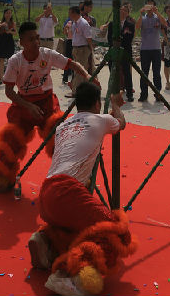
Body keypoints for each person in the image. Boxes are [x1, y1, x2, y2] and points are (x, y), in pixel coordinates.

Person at [29, 82, 136, 296]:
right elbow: (121, 123)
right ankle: (69, 276)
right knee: (118, 234)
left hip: (46, 194)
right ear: (97, 103)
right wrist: (116, 104)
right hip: (67, 192)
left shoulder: (62, 126)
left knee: (79, 226)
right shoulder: (101, 120)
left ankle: (47, 241)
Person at [0, 21, 91, 193]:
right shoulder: (15, 61)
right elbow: (9, 91)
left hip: (47, 103)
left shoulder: (47, 54)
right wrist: (28, 106)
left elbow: (72, 64)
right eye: (31, 39)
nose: (36, 42)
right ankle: (3, 176)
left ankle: (74, 178)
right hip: (23, 105)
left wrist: (88, 76)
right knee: (11, 140)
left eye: (37, 38)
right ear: (22, 42)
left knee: (60, 136)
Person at [101, 2, 136, 101]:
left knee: (127, 73)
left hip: (125, 51)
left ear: (128, 13)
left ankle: (129, 94)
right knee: (113, 72)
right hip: (114, 51)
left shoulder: (130, 25)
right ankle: (113, 92)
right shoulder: (112, 24)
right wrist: (115, 45)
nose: (123, 12)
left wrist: (120, 42)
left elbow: (129, 39)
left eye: (125, 11)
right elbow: (110, 38)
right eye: (121, 10)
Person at [137, 0, 167, 102]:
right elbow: (137, 27)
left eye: (151, 5)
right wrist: (140, 15)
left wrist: (157, 13)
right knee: (144, 73)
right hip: (145, 49)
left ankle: (158, 93)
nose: (149, 8)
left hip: (156, 49)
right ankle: (143, 94)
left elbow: (165, 24)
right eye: (148, 5)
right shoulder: (143, 18)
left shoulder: (157, 17)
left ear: (154, 6)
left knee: (156, 73)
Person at [70, 5, 94, 96]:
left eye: (70, 13)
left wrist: (91, 49)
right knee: (78, 70)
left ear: (74, 13)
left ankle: (76, 91)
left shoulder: (84, 23)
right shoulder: (74, 23)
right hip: (76, 49)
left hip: (82, 49)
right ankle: (83, 90)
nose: (69, 15)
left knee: (80, 71)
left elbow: (88, 38)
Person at [0, 8, 17, 84]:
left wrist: (10, 31)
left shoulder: (13, 23)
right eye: (7, 13)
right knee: (1, 60)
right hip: (2, 41)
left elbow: (15, 33)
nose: (8, 15)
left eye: (10, 13)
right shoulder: (1, 22)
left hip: (9, 41)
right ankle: (1, 78)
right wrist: (0, 25)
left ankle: (9, 77)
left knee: (10, 60)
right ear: (4, 14)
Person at [62, 8, 74, 85]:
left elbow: (65, 30)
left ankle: (71, 78)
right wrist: (67, 33)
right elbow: (65, 30)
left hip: (73, 42)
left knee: (72, 60)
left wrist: (67, 33)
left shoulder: (74, 22)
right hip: (70, 42)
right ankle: (66, 77)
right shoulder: (70, 22)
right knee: (68, 60)